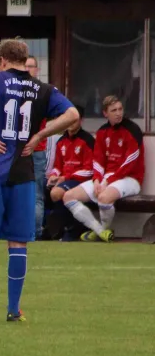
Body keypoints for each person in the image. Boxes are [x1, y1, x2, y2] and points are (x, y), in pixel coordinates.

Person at [0, 39, 79, 323]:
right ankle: (13, 310)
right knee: (18, 242)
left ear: (1, 60)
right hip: (22, 172)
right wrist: (39, 136)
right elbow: (73, 115)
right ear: (25, 60)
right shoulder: (43, 89)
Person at [63, 96, 144, 242]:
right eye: (114, 110)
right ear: (105, 113)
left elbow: (129, 163)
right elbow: (98, 160)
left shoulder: (133, 130)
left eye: (120, 109)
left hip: (130, 179)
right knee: (68, 197)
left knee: (103, 198)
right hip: (107, 178)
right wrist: (96, 180)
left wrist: (107, 181)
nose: (118, 113)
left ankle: (101, 231)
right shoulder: (102, 132)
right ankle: (101, 231)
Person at [45, 106, 94, 241]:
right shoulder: (61, 141)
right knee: (43, 187)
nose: (72, 123)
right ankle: (54, 230)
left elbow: (89, 170)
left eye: (75, 120)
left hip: (82, 181)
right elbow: (58, 166)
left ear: (81, 121)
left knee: (57, 193)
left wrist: (66, 178)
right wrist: (54, 176)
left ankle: (71, 230)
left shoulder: (87, 140)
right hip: (65, 180)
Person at [25, 55, 48, 239]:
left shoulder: (43, 92)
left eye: (31, 66)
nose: (27, 70)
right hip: (17, 152)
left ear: (37, 70)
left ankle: (36, 232)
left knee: (36, 194)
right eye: (25, 66)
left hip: (38, 150)